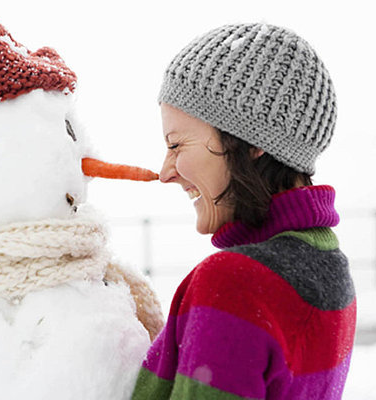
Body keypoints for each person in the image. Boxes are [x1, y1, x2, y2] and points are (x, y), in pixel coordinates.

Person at [131, 23, 356, 400]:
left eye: (176, 144)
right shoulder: (331, 272)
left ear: (250, 143)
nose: (166, 171)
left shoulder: (234, 284)